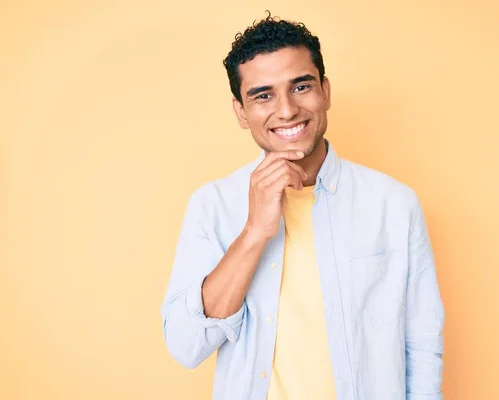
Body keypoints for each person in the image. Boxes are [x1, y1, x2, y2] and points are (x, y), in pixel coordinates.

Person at [161, 12, 444, 400]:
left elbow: (423, 344)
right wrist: (255, 232)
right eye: (263, 95)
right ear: (242, 112)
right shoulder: (213, 206)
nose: (287, 110)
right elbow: (186, 345)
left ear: (325, 91)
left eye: (301, 86)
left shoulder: (393, 204)